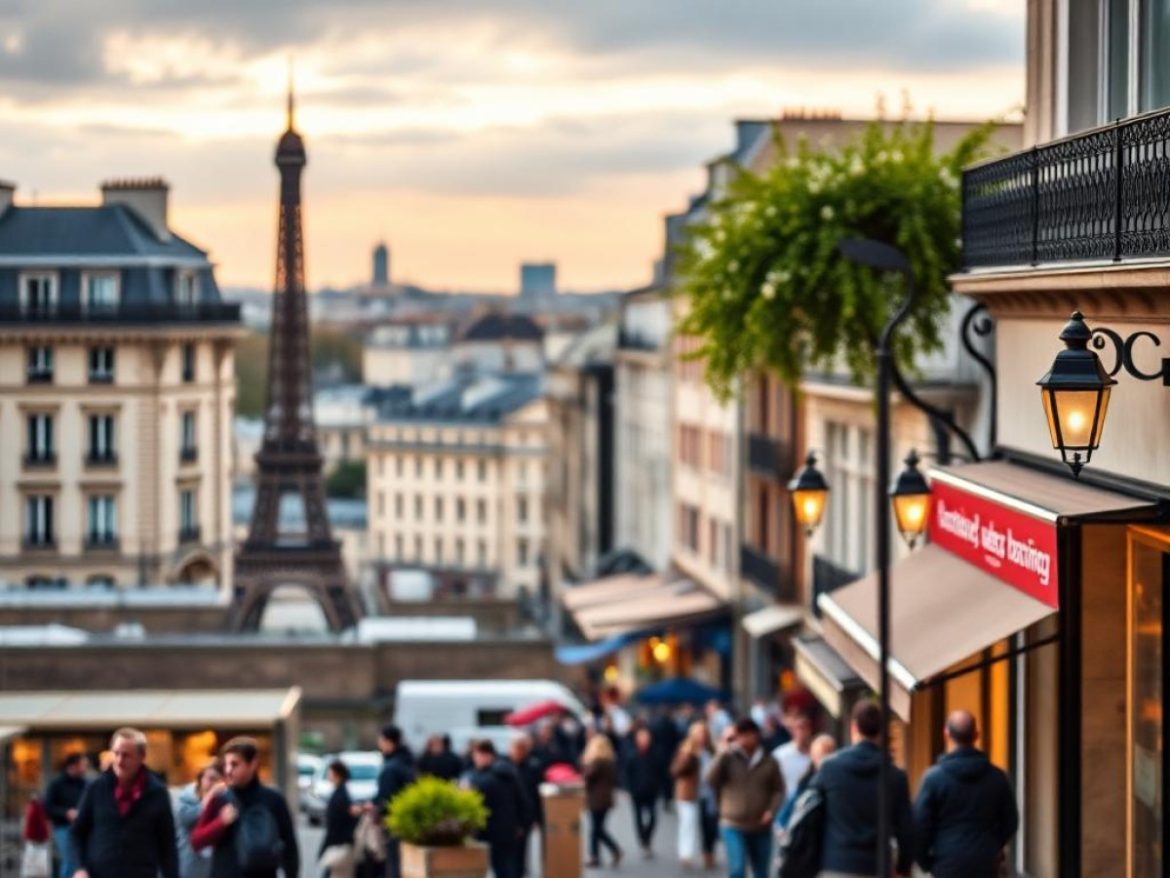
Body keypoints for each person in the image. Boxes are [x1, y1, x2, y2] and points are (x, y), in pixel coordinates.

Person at [914, 710, 1019, 878]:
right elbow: (1011, 821)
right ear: (976, 735)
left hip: (946, 862)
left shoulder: (933, 779)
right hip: (985, 863)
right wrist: (992, 846)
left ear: (946, 734)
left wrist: (926, 863)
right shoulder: (997, 778)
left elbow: (919, 827)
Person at [815, 700, 914, 878]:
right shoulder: (895, 776)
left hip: (836, 865)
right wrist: (903, 869)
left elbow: (814, 816)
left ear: (854, 728)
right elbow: (906, 831)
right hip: (876, 867)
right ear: (883, 732)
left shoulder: (830, 769)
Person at [69, 727, 179, 878]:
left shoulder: (157, 793)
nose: (119, 761)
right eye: (116, 753)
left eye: (127, 755)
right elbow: (77, 832)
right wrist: (79, 868)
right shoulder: (96, 787)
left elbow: (167, 844)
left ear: (142, 756)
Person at [189, 736, 299, 878]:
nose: (228, 770)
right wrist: (220, 822)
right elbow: (196, 841)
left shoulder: (274, 799)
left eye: (235, 764)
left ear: (253, 764)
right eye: (226, 765)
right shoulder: (220, 799)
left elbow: (289, 846)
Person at [704, 717, 784, 878]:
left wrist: (771, 811)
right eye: (739, 735)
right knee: (737, 870)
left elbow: (778, 789)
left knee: (761, 872)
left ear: (756, 736)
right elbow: (710, 779)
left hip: (760, 825)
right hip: (732, 823)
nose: (743, 739)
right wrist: (722, 751)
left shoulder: (769, 761)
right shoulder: (728, 758)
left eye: (747, 734)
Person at [466, 740, 530, 878]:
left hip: (493, 831)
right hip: (507, 830)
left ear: (487, 755)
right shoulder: (509, 773)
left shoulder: (482, 779)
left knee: (501, 868)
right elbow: (522, 800)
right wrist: (522, 824)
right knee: (507, 868)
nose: (476, 759)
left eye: (478, 755)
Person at [372, 724, 415, 878]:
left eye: (381, 740)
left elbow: (386, 798)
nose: (379, 744)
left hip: (394, 824)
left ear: (389, 742)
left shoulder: (391, 767)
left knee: (394, 865)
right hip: (408, 823)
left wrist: (376, 809)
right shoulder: (407, 761)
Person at [670, 719, 712, 869]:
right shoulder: (687, 751)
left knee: (708, 825)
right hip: (688, 793)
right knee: (688, 823)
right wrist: (689, 758)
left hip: (707, 793)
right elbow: (676, 771)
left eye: (703, 733)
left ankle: (707, 852)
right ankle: (685, 854)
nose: (701, 736)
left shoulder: (709, 750)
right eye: (698, 733)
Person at [580, 733, 623, 869]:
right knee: (598, 828)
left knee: (596, 829)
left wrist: (584, 765)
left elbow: (587, 778)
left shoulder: (597, 762)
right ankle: (599, 854)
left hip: (595, 799)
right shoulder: (610, 762)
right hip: (606, 799)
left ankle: (599, 854)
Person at [777, 734, 835, 829]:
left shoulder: (837, 778)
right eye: (818, 755)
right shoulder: (806, 781)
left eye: (825, 755)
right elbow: (787, 811)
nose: (822, 760)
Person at [44, 752, 88, 878]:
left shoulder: (85, 783)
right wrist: (66, 813)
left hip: (82, 828)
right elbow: (48, 808)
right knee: (70, 861)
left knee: (81, 862)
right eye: (82, 765)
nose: (85, 768)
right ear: (73, 766)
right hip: (63, 828)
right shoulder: (56, 784)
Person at [176, 762, 222, 878]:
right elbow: (187, 819)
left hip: (213, 865)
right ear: (201, 779)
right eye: (210, 778)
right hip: (189, 863)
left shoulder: (223, 800)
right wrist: (210, 797)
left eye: (218, 780)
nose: (214, 784)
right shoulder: (186, 798)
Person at [508, 735, 544, 878]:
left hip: (525, 815)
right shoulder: (505, 767)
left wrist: (537, 817)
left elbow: (537, 795)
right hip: (509, 815)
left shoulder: (533, 767)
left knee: (521, 850)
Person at [622, 726, 659, 858]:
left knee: (653, 818)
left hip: (651, 791)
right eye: (642, 737)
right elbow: (626, 773)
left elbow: (660, 772)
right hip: (636, 791)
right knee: (638, 818)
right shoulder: (632, 755)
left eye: (646, 737)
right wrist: (627, 789)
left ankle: (647, 837)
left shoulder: (654, 754)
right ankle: (643, 840)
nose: (644, 740)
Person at [319, 760, 360, 878]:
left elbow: (335, 824)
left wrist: (325, 846)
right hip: (342, 844)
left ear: (337, 774)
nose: (328, 775)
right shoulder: (342, 793)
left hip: (339, 845)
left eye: (330, 772)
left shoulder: (340, 796)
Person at [771, 710, 814, 813]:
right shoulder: (780, 755)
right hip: (785, 808)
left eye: (805, 728)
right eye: (799, 728)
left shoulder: (815, 754)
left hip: (809, 808)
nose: (802, 732)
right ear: (793, 731)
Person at [21, 793, 51, 878]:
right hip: (36, 842)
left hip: (37, 842)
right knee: (35, 870)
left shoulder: (33, 808)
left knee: (36, 870)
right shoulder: (35, 808)